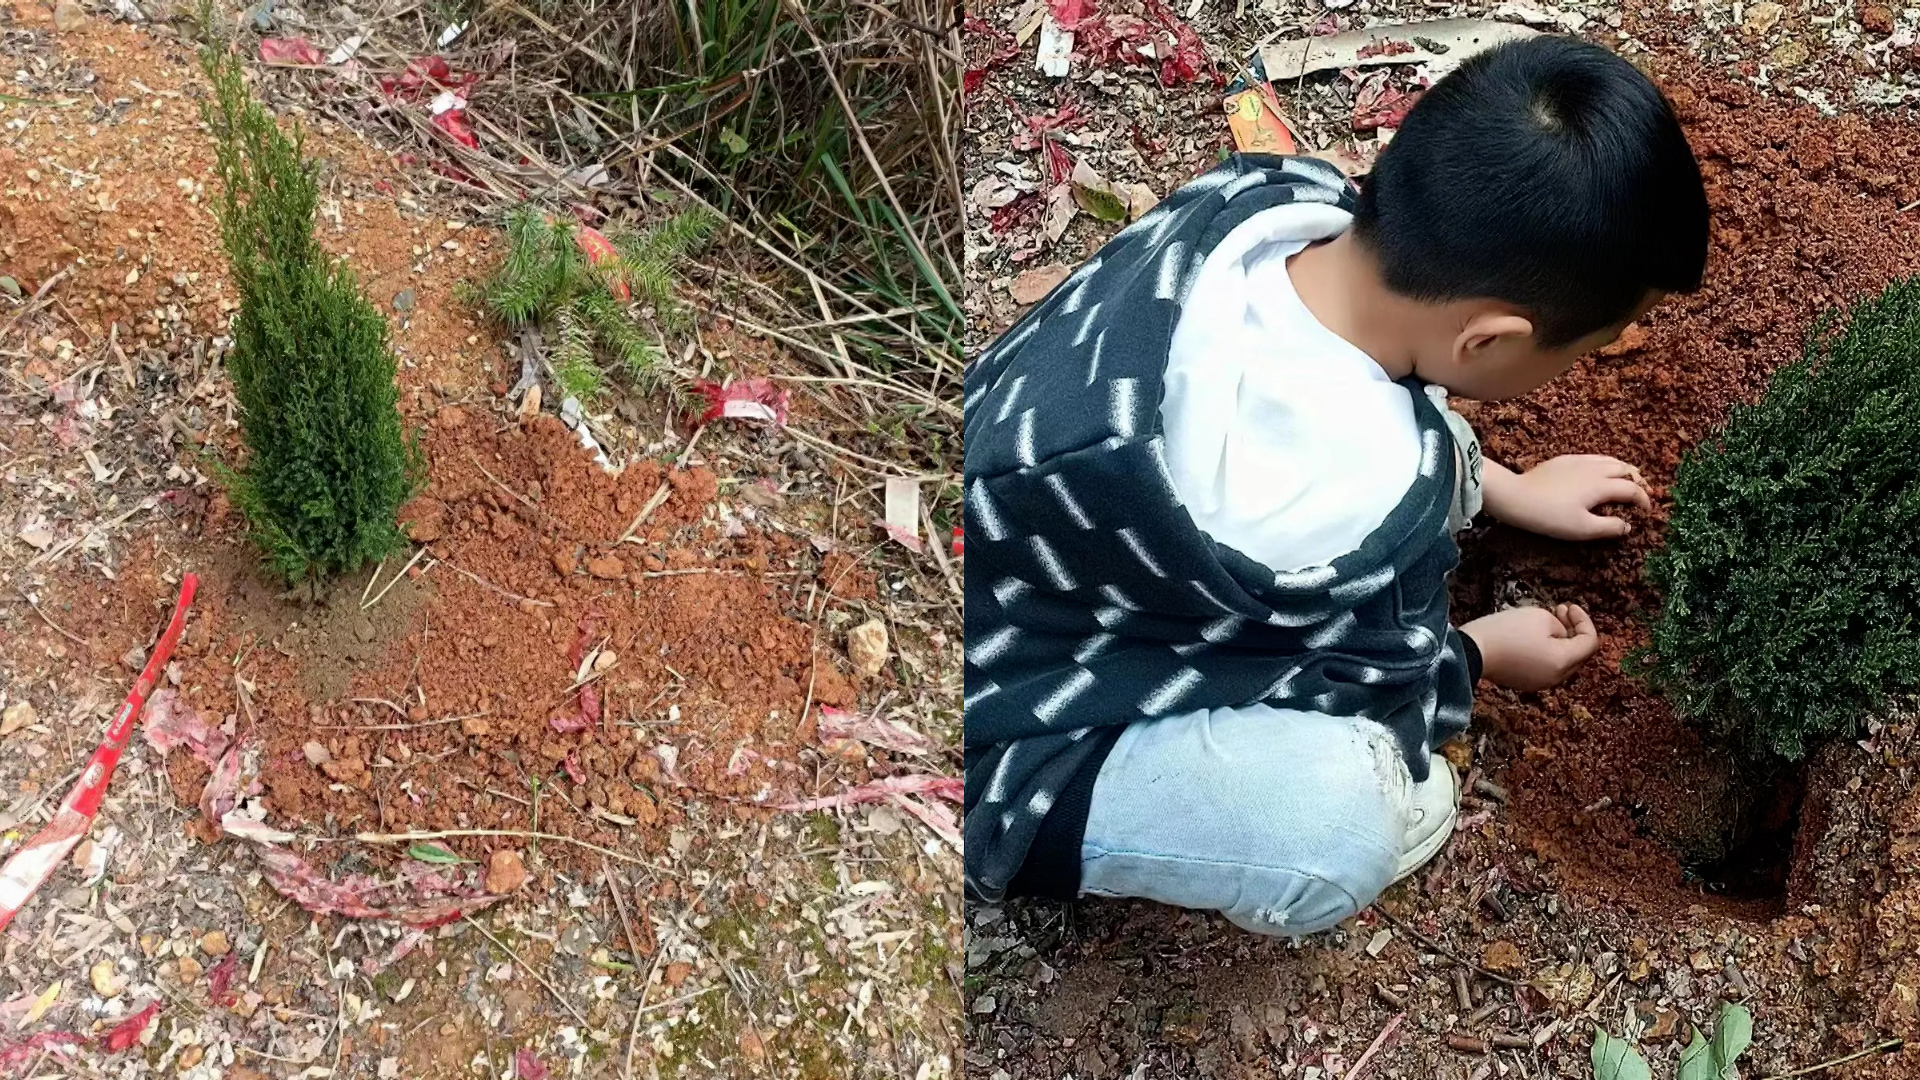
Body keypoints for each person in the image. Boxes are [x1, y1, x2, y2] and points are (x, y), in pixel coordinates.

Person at [962, 35, 1708, 934]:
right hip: (1004, 732)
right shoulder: (1355, 522)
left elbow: (1389, 385)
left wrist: (1498, 485)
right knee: (1345, 818)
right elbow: (1359, 688)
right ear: (1493, 342)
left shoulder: (1255, 209)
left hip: (1004, 528)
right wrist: (1474, 654)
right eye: (1588, 348)